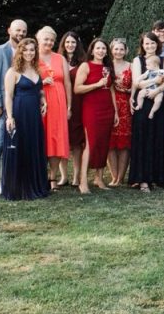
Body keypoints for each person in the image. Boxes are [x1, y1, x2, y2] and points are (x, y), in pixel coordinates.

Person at [0, 37, 51, 201]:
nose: (29, 53)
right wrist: (10, 117)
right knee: (20, 148)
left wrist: (43, 100)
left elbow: (39, 90)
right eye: (26, 50)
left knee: (33, 147)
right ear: (20, 52)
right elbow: (8, 96)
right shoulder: (13, 72)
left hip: (34, 115)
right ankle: (18, 189)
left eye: (32, 50)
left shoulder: (37, 70)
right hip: (19, 113)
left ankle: (34, 185)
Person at [128, 32, 164, 191]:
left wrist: (157, 90)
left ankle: (158, 177)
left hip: (159, 101)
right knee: (143, 138)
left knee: (159, 136)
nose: (150, 46)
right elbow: (137, 83)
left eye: (152, 43)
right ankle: (142, 179)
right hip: (143, 103)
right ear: (142, 45)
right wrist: (154, 81)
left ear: (157, 44)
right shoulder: (138, 60)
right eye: (146, 43)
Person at [73, 38, 118, 194]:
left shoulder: (108, 67)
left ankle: (99, 178)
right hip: (91, 108)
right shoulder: (85, 66)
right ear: (92, 50)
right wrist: (96, 85)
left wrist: (115, 111)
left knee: (104, 143)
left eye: (103, 48)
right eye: (98, 48)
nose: (101, 51)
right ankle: (83, 182)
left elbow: (111, 89)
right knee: (91, 144)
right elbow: (77, 88)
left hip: (107, 108)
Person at [35, 26, 70, 190]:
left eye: (51, 40)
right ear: (38, 40)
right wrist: (41, 82)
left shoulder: (60, 58)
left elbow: (67, 83)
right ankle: (39, 175)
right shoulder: (32, 56)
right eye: (46, 39)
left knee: (56, 139)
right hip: (39, 102)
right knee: (41, 136)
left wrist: (69, 105)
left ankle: (53, 177)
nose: (49, 42)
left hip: (58, 103)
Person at [59, 31, 85, 189]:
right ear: (63, 44)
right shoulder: (56, 59)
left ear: (77, 44)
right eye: (67, 42)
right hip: (59, 103)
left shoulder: (83, 62)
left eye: (73, 42)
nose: (70, 45)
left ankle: (76, 176)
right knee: (62, 141)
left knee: (76, 143)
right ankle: (63, 176)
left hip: (78, 105)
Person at [107, 38, 133, 187]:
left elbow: (137, 85)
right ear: (111, 50)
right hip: (109, 105)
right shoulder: (107, 66)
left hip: (126, 106)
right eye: (116, 49)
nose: (118, 52)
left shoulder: (131, 65)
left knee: (124, 142)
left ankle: (121, 177)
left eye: (121, 49)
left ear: (126, 51)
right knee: (110, 142)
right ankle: (114, 176)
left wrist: (128, 90)